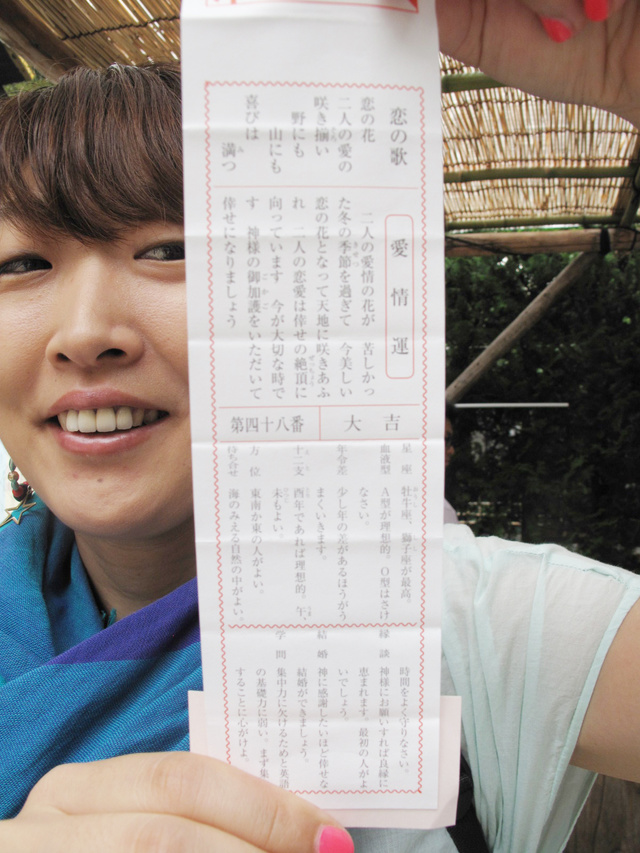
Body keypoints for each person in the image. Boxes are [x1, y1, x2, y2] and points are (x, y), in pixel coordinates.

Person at [1, 2, 640, 851]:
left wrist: (626, 67)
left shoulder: (463, 620)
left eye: (168, 249)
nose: (85, 333)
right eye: (21, 263)